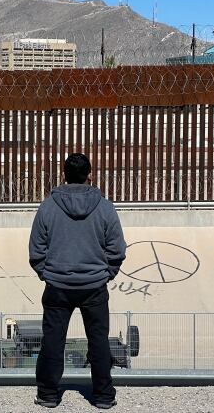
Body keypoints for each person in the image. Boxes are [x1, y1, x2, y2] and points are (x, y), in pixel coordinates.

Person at [28, 153, 126, 409]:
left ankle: (48, 394)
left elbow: (36, 250)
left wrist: (46, 273)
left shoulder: (48, 206)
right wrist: (107, 274)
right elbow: (117, 250)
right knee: (98, 341)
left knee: (52, 341)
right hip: (94, 286)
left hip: (57, 286)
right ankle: (104, 396)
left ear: (64, 175)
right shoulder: (105, 207)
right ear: (89, 175)